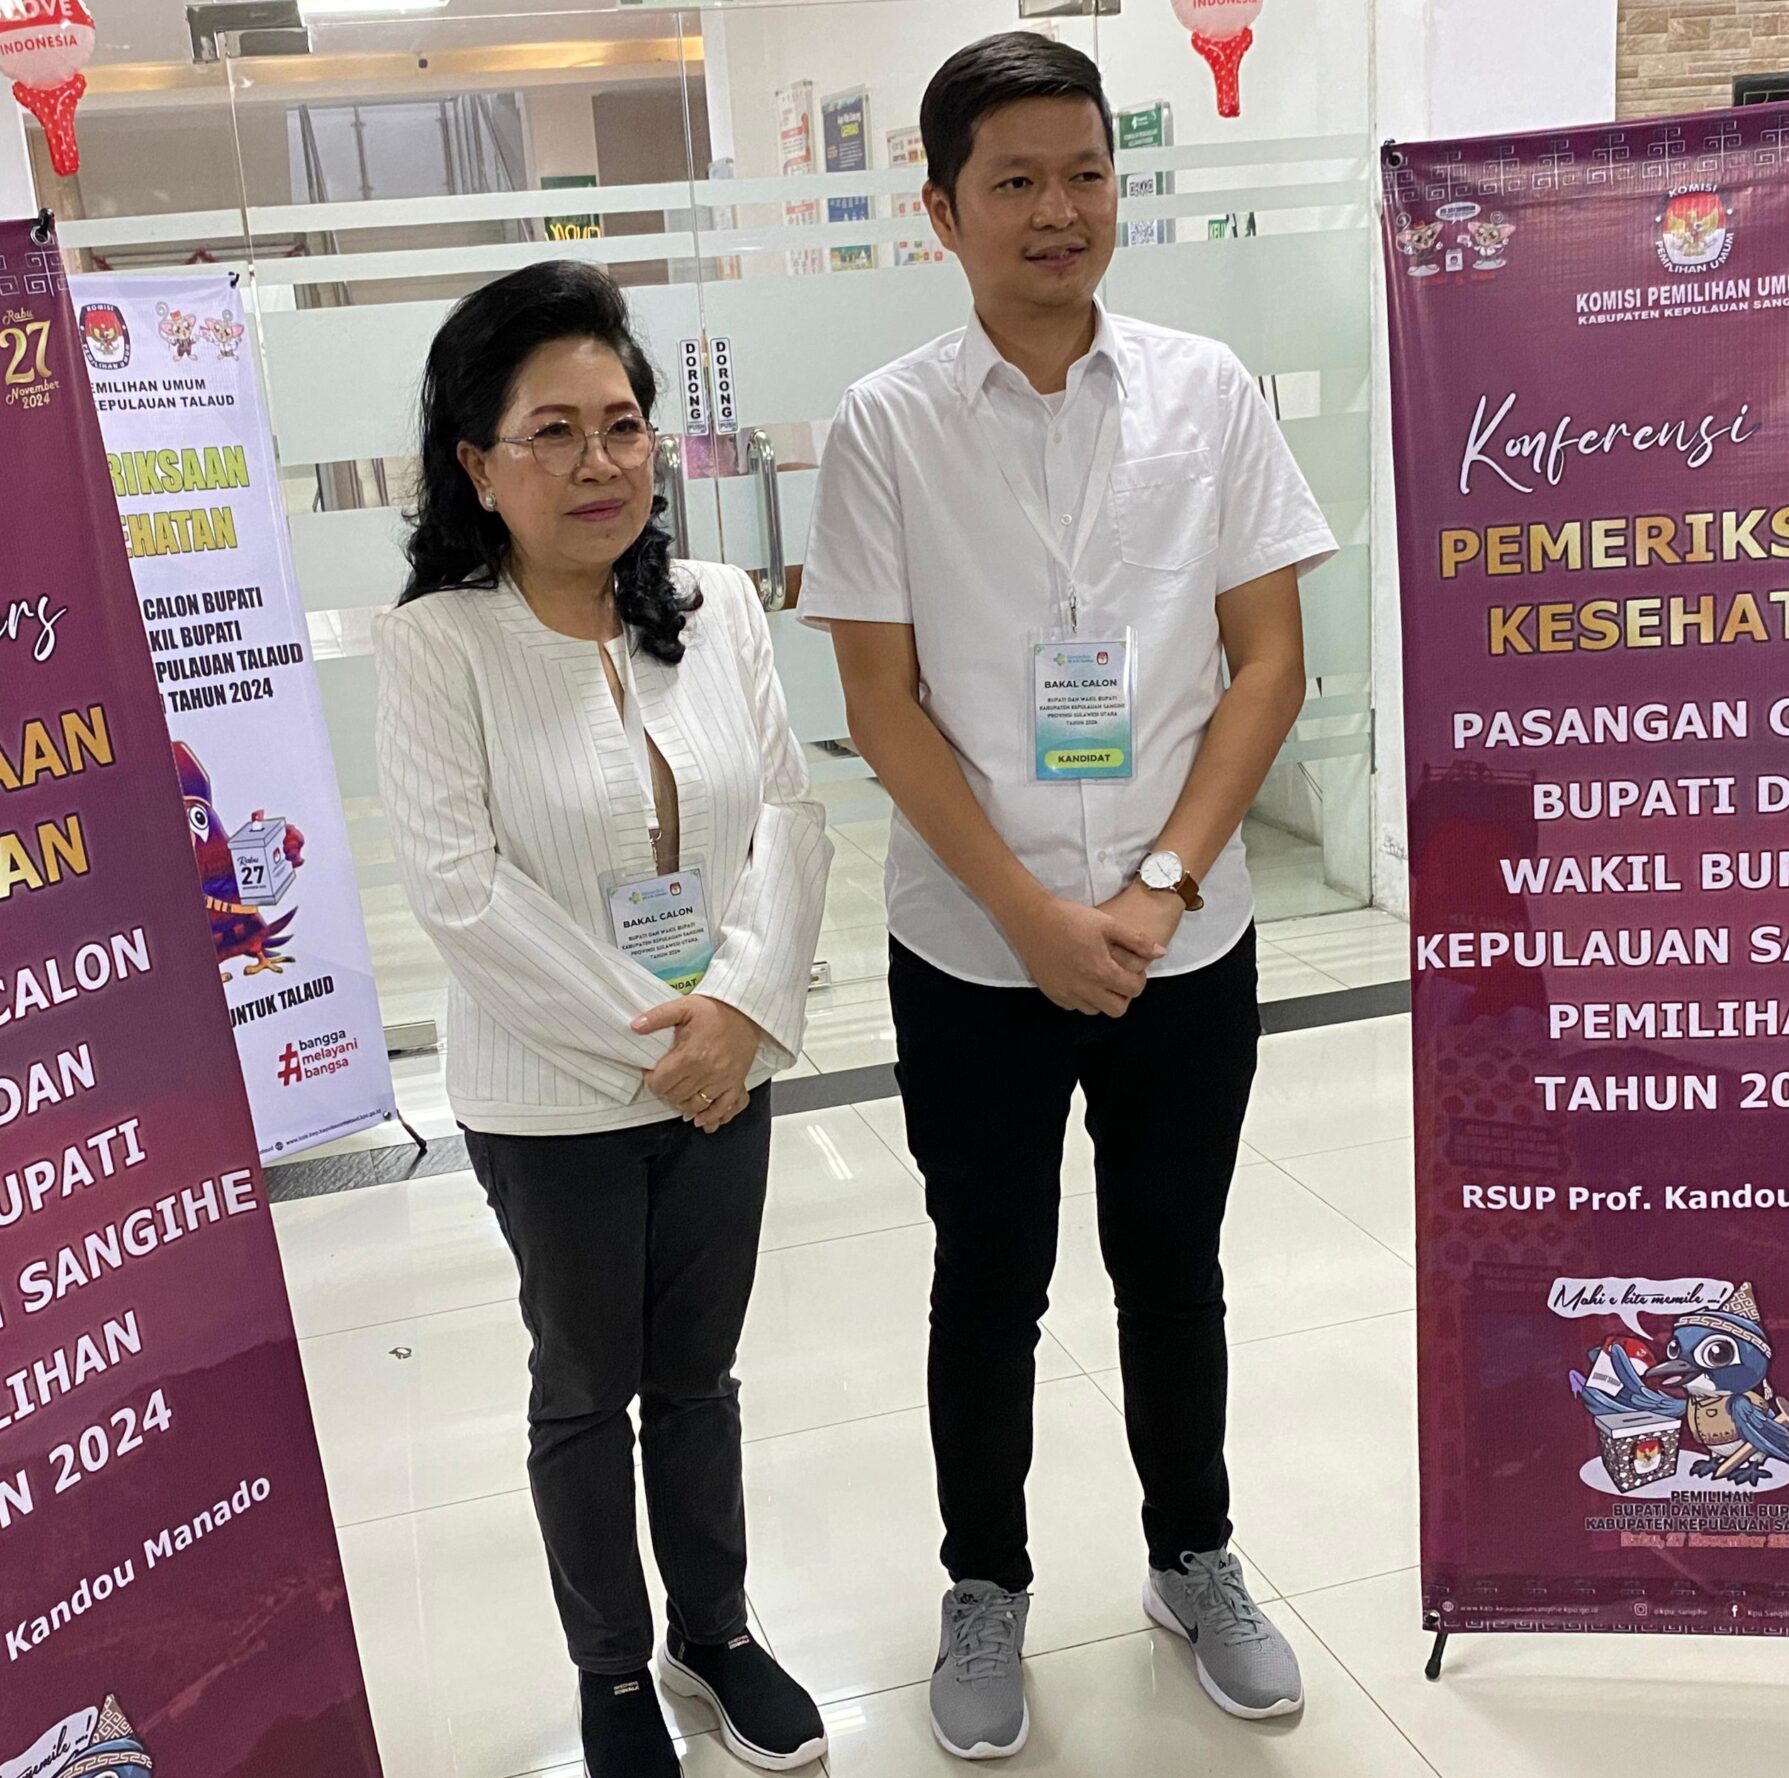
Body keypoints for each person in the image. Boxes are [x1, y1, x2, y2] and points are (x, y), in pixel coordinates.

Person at [797, 32, 1337, 1762]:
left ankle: (1195, 1556)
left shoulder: (1208, 393)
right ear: (941, 210)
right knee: (989, 1279)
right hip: (974, 945)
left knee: (1173, 1264)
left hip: (1189, 934)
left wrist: (1162, 882)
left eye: (1086, 173)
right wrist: (1033, 919)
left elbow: (1268, 661)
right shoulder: (884, 427)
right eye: (1015, 180)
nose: (1059, 210)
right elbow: (881, 702)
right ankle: (986, 1586)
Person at [374, 260, 834, 1778]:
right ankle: (612, 1670)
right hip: (554, 1101)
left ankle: (716, 1632)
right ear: (476, 464)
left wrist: (742, 1012)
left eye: (622, 425)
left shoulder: (715, 607)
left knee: (700, 1376)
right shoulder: (440, 644)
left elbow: (786, 817)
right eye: (553, 432)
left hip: (726, 1070)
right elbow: (460, 890)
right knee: (584, 1389)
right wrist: (674, 1037)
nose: (599, 463)